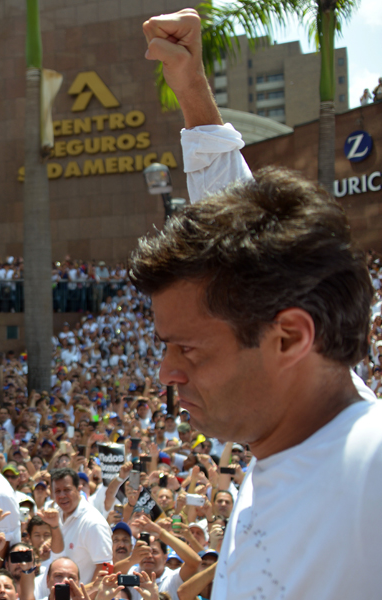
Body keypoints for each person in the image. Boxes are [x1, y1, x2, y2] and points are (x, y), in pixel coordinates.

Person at [139, 8, 382, 598]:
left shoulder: (369, 473)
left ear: (291, 338)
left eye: (189, 348)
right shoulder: (283, 446)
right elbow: (245, 231)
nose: (168, 373)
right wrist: (194, 93)